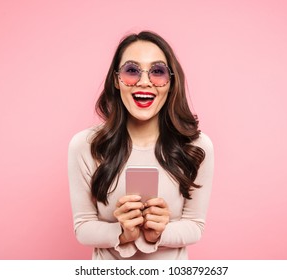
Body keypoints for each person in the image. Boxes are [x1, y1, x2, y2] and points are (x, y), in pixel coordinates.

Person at [68, 30, 214, 260]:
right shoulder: (85, 146)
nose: (144, 82)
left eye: (157, 71)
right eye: (132, 71)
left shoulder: (196, 147)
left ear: (171, 82)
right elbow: (83, 227)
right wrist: (122, 233)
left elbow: (195, 226)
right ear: (117, 80)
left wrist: (158, 234)